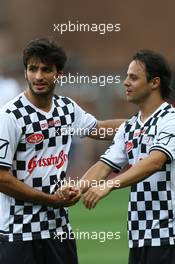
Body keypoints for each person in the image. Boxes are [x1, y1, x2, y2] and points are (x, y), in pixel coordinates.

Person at [0, 38, 124, 264]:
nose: (38, 76)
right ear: (25, 72)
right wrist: (50, 199)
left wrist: (144, 124)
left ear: (60, 74)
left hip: (59, 230)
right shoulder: (10, 116)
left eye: (46, 70)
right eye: (32, 69)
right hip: (19, 234)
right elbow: (1, 178)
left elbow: (100, 129)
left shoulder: (66, 109)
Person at [81, 50, 175, 264]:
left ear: (154, 83)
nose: (125, 82)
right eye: (126, 76)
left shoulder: (170, 120)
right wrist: (75, 189)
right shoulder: (130, 127)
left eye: (133, 77)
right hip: (139, 235)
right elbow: (104, 165)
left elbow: (155, 161)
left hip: (168, 234)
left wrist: (109, 186)